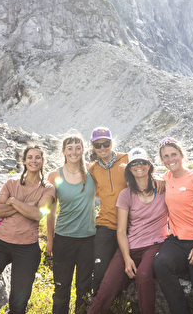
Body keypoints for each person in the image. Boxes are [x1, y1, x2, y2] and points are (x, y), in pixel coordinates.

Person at [0, 144, 55, 314]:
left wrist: (14, 201)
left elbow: (39, 215)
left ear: (43, 161)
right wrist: (28, 206)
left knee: (18, 305)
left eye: (37, 157)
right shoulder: (11, 183)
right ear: (24, 161)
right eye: (30, 157)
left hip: (27, 248)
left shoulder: (48, 189)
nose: (34, 160)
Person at [88, 147, 168, 314]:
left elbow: (182, 203)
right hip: (130, 246)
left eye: (143, 162)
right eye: (134, 164)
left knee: (144, 275)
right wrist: (126, 258)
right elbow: (121, 231)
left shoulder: (162, 189)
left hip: (154, 245)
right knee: (106, 287)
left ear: (149, 165)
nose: (139, 166)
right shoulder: (126, 194)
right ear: (129, 169)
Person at [154, 137, 193, 314]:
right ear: (162, 160)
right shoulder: (165, 178)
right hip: (176, 241)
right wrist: (156, 176)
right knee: (160, 264)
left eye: (173, 154)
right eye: (165, 156)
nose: (170, 159)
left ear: (182, 155)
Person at [46, 134, 96, 314]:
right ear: (64, 151)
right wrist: (49, 239)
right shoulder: (54, 176)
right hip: (63, 238)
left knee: (84, 287)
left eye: (78, 147)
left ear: (83, 150)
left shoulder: (93, 171)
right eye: (70, 148)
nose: (74, 152)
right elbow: (50, 212)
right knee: (61, 287)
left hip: (89, 239)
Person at [88, 127, 128, 297]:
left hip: (128, 226)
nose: (102, 148)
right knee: (100, 271)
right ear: (93, 147)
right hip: (104, 224)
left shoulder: (127, 159)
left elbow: (147, 175)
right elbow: (93, 192)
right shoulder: (94, 169)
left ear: (112, 143)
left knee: (126, 272)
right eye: (98, 145)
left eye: (106, 143)